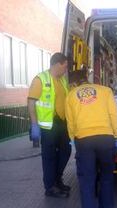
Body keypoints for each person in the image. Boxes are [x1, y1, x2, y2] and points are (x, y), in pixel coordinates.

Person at [65, 70, 117, 208]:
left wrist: (72, 139)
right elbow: (114, 114)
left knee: (87, 181)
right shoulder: (105, 91)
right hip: (106, 138)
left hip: (84, 140)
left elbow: (70, 122)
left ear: (74, 83)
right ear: (87, 80)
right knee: (107, 176)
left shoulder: (71, 95)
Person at [28, 52, 72, 198]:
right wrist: (34, 125)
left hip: (62, 122)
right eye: (65, 66)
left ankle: (57, 179)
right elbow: (31, 102)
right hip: (48, 125)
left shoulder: (62, 80)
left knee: (66, 151)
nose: (66, 70)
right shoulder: (40, 79)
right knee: (49, 156)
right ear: (57, 64)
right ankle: (50, 187)